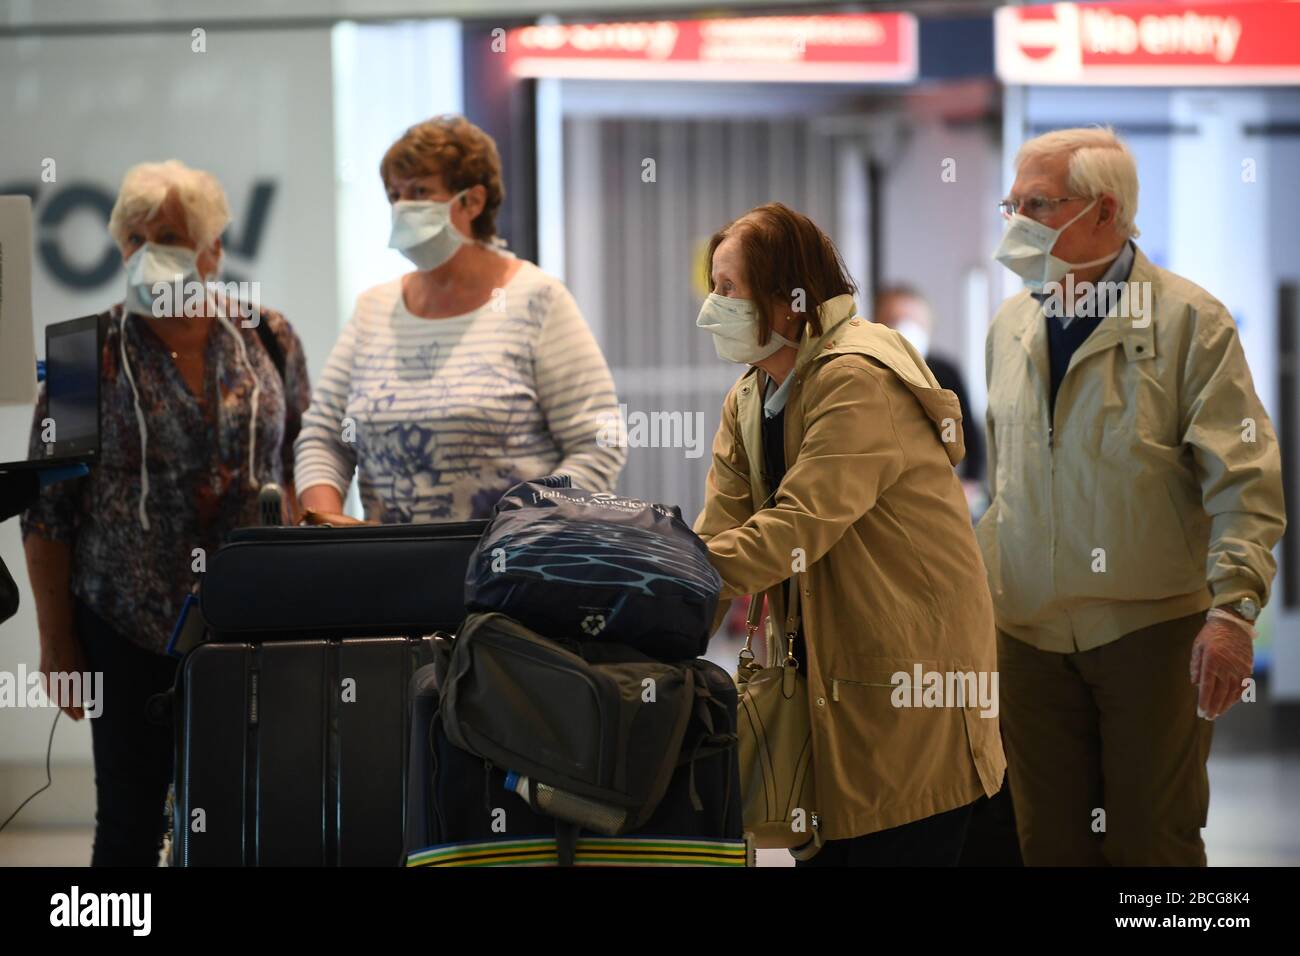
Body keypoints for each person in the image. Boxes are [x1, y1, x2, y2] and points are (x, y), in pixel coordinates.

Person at [980, 126, 1286, 865]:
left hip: (1151, 635)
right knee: (1045, 844)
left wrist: (1234, 611)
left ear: (1105, 211)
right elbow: (1009, 483)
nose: (1017, 222)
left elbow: (1244, 480)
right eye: (1010, 204)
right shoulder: (1012, 325)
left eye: (1037, 204)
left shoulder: (1190, 322)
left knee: (1153, 843)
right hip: (1026, 637)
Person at [694, 202, 1005, 866]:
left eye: (727, 290)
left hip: (910, 681)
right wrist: (661, 623)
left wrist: (663, 578)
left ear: (787, 300)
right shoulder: (750, 397)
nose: (710, 309)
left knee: (897, 833)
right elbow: (719, 529)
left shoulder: (857, 378)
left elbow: (797, 525)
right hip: (823, 683)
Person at [22, 159, 312, 866]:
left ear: (215, 249)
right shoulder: (80, 354)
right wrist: (57, 644)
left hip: (251, 621)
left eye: (174, 237)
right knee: (127, 826)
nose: (151, 252)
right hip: (123, 624)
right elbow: (48, 510)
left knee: (252, 818)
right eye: (135, 237)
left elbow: (305, 456)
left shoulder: (268, 336)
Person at [295, 115, 625, 522]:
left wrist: (530, 526)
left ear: (472, 201)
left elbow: (598, 442)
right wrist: (327, 524)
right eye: (394, 195)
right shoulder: (373, 310)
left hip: (509, 574)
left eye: (420, 192)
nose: (402, 208)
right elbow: (324, 438)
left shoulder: (537, 299)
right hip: (385, 570)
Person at [873, 285, 985, 493]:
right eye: (895, 320)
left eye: (913, 321)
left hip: (936, 489)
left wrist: (970, 484)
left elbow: (969, 433)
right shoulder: (862, 373)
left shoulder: (946, 372)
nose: (905, 329)